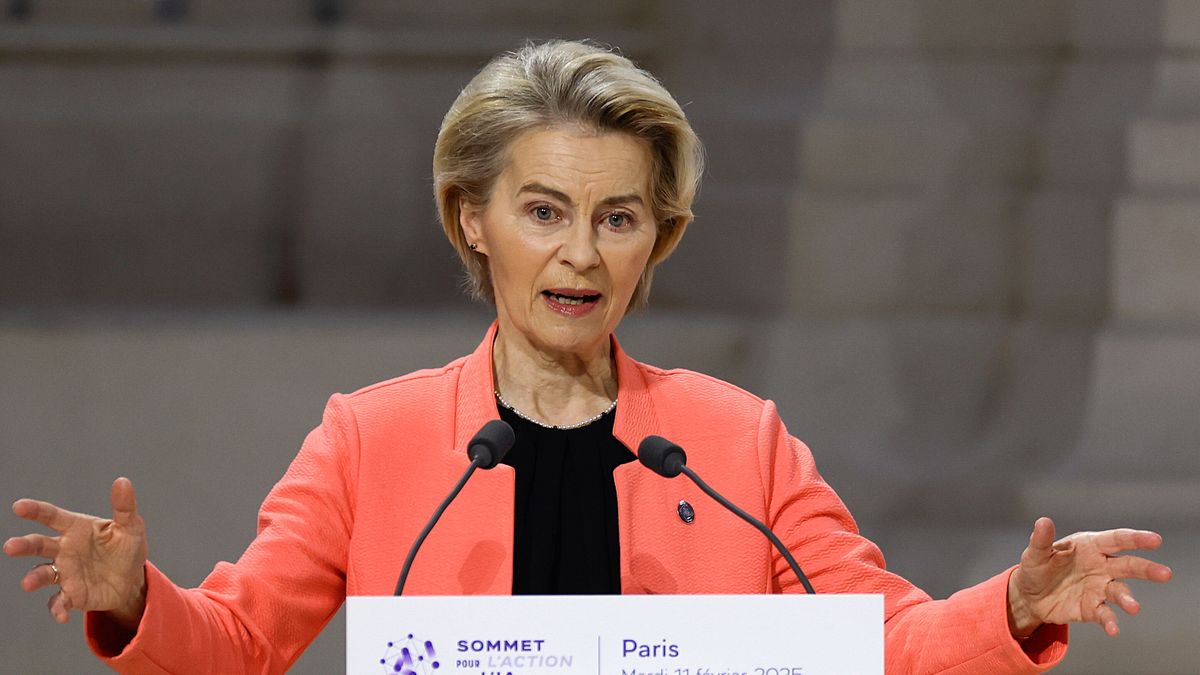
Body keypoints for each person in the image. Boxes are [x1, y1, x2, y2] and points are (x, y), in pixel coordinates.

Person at [4, 40, 1172, 674]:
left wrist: (1013, 610)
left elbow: (878, 642)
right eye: (544, 210)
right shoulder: (377, 438)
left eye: (619, 217)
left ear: (657, 239)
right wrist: (135, 602)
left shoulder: (731, 444)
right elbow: (245, 642)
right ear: (473, 218)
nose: (581, 253)